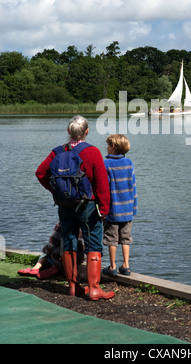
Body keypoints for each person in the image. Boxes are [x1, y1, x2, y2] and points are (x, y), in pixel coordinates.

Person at [35, 115, 114, 301]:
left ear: (68, 131)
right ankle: (94, 288)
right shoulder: (92, 152)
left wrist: (55, 191)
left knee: (68, 240)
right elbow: (102, 183)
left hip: (64, 204)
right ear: (86, 131)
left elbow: (40, 173)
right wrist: (104, 208)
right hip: (87, 205)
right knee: (93, 243)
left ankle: (73, 286)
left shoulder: (57, 151)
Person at [102, 134, 137, 277]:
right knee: (126, 238)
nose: (107, 147)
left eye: (108, 145)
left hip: (112, 209)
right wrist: (134, 207)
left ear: (113, 147)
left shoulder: (106, 164)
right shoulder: (129, 163)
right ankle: (126, 265)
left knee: (112, 239)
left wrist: (103, 208)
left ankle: (112, 266)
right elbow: (133, 187)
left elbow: (105, 188)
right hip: (128, 208)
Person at [17, 223, 85, 280]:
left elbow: (51, 244)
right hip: (77, 259)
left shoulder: (62, 225)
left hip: (58, 258)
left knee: (49, 250)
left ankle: (37, 267)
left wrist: (46, 249)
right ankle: (55, 268)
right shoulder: (84, 227)